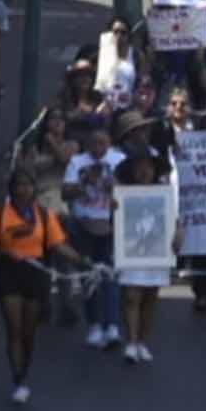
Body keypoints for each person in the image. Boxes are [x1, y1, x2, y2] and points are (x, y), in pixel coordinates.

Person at [0, 168, 89, 402]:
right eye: (18, 185)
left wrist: (82, 261)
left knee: (29, 331)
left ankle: (25, 371)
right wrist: (6, 252)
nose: (22, 189)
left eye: (27, 185)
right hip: (10, 274)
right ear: (12, 188)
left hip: (37, 275)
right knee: (14, 329)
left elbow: (58, 245)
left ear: (33, 189)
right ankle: (17, 378)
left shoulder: (44, 215)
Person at [114, 150, 178, 365]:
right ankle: (131, 342)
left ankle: (142, 342)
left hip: (157, 252)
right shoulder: (122, 193)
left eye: (148, 167)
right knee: (132, 296)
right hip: (131, 251)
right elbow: (114, 221)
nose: (143, 171)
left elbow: (175, 220)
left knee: (150, 298)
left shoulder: (165, 193)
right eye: (139, 167)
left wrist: (177, 235)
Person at [63, 126, 126, 347]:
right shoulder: (77, 162)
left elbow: (132, 190)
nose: (98, 147)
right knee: (89, 276)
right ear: (88, 144)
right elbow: (65, 193)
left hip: (110, 225)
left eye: (102, 142)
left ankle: (112, 325)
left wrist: (114, 186)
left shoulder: (120, 160)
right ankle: (94, 325)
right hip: (83, 225)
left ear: (109, 142)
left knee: (110, 275)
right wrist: (84, 183)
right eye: (94, 143)